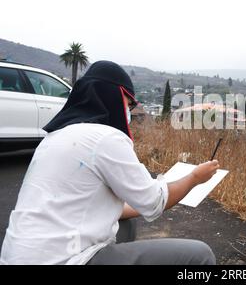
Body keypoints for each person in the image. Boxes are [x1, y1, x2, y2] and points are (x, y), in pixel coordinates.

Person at [0, 61, 219, 265]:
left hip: (17, 256)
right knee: (200, 255)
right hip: (65, 260)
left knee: (124, 223)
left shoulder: (54, 138)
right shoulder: (106, 137)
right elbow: (155, 202)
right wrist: (195, 178)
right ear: (116, 96)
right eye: (129, 103)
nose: (130, 110)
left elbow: (105, 206)